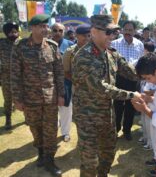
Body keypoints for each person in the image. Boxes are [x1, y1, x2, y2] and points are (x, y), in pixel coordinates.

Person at [72, 14, 142, 177]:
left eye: (115, 32)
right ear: (94, 31)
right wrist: (131, 94)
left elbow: (131, 72)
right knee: (90, 162)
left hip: (107, 115)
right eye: (108, 32)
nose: (113, 36)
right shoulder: (84, 57)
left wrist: (155, 72)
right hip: (87, 117)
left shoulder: (111, 53)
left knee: (108, 155)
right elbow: (101, 88)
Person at [11, 14, 64, 176]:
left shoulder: (52, 46)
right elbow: (15, 74)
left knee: (50, 129)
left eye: (46, 26)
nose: (45, 29)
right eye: (41, 26)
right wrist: (17, 98)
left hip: (50, 98)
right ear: (32, 28)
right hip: (30, 98)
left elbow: (59, 73)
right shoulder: (20, 47)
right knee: (35, 127)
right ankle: (40, 152)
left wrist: (61, 94)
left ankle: (49, 159)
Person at [111, 20, 144, 140]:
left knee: (131, 105)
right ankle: (116, 129)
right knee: (118, 106)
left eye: (130, 30)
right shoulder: (114, 44)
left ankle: (127, 130)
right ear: (122, 30)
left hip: (134, 80)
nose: (128, 32)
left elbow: (140, 62)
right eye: (126, 30)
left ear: (134, 31)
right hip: (119, 79)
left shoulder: (140, 45)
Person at [60, 24, 91, 142]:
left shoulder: (94, 50)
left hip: (90, 89)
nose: (87, 38)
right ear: (77, 36)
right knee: (73, 112)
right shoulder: (70, 52)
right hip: (74, 87)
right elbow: (65, 71)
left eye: (89, 35)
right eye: (84, 36)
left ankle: (87, 137)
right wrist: (77, 82)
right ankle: (68, 133)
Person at [0, 22, 19, 130]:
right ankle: (8, 119)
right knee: (8, 99)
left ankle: (27, 117)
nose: (14, 34)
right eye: (11, 32)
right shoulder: (1, 43)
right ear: (7, 33)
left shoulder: (21, 43)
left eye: (15, 32)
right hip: (6, 76)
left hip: (21, 76)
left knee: (23, 97)